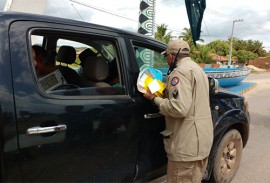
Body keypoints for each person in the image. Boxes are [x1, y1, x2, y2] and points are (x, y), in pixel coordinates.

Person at [143, 40, 213, 183]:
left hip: (186, 147)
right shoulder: (197, 69)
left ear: (170, 56)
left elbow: (179, 108)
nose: (167, 60)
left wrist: (153, 99)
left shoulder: (179, 73)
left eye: (166, 57)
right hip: (199, 143)